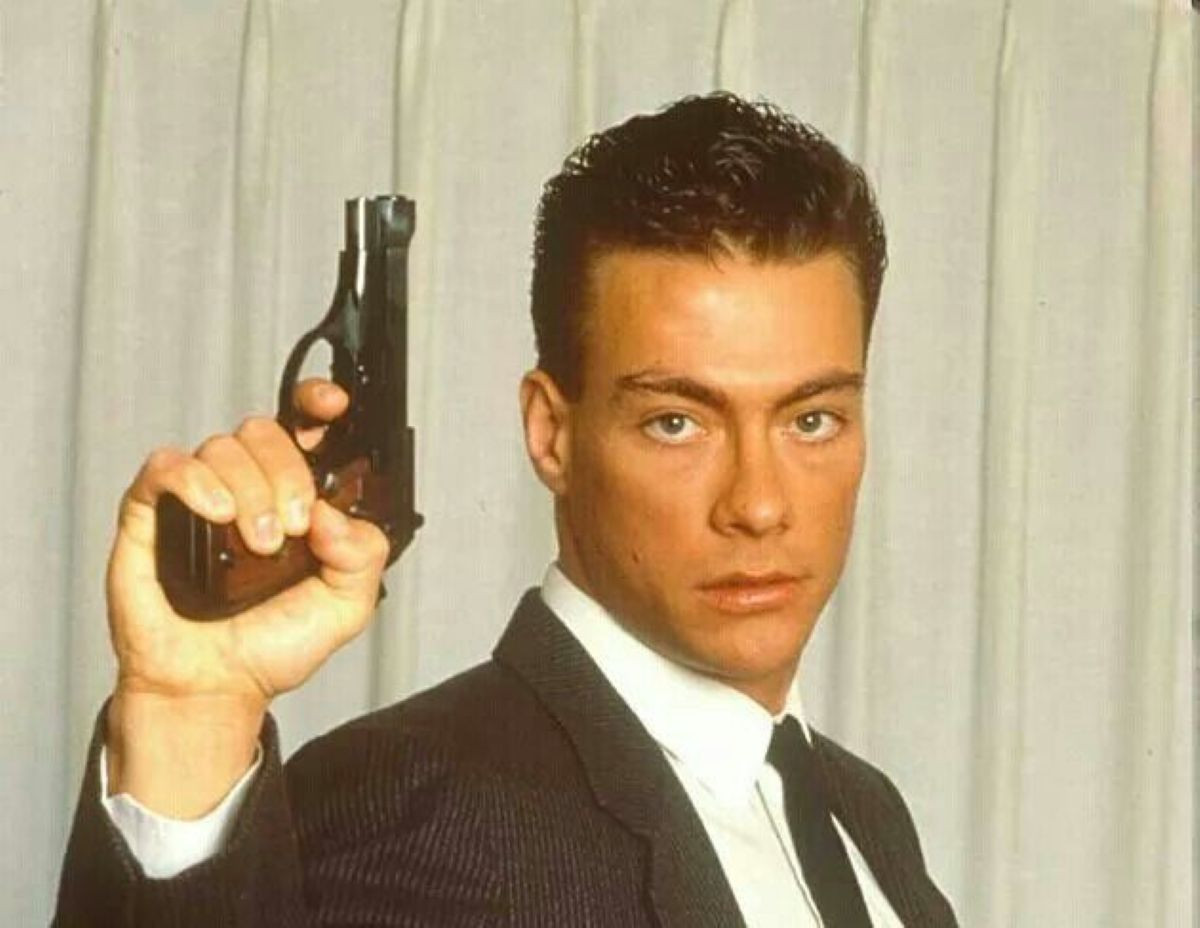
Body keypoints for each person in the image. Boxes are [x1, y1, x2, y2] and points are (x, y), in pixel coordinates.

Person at [54, 92, 957, 926]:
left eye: (812, 419)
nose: (758, 505)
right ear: (551, 434)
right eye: (676, 422)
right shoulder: (408, 809)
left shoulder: (863, 815)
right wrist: (188, 718)